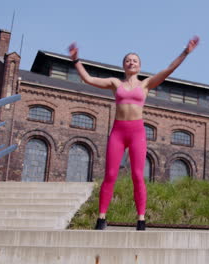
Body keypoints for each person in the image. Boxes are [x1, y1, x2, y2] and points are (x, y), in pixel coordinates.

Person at [68, 36, 199, 230]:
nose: (131, 62)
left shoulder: (145, 84)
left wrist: (185, 52)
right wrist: (76, 60)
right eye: (128, 60)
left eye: (135, 60)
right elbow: (88, 79)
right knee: (110, 174)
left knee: (138, 175)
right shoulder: (115, 83)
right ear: (124, 66)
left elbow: (169, 69)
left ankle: (141, 219)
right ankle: (101, 218)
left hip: (137, 132)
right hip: (118, 132)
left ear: (139, 66)